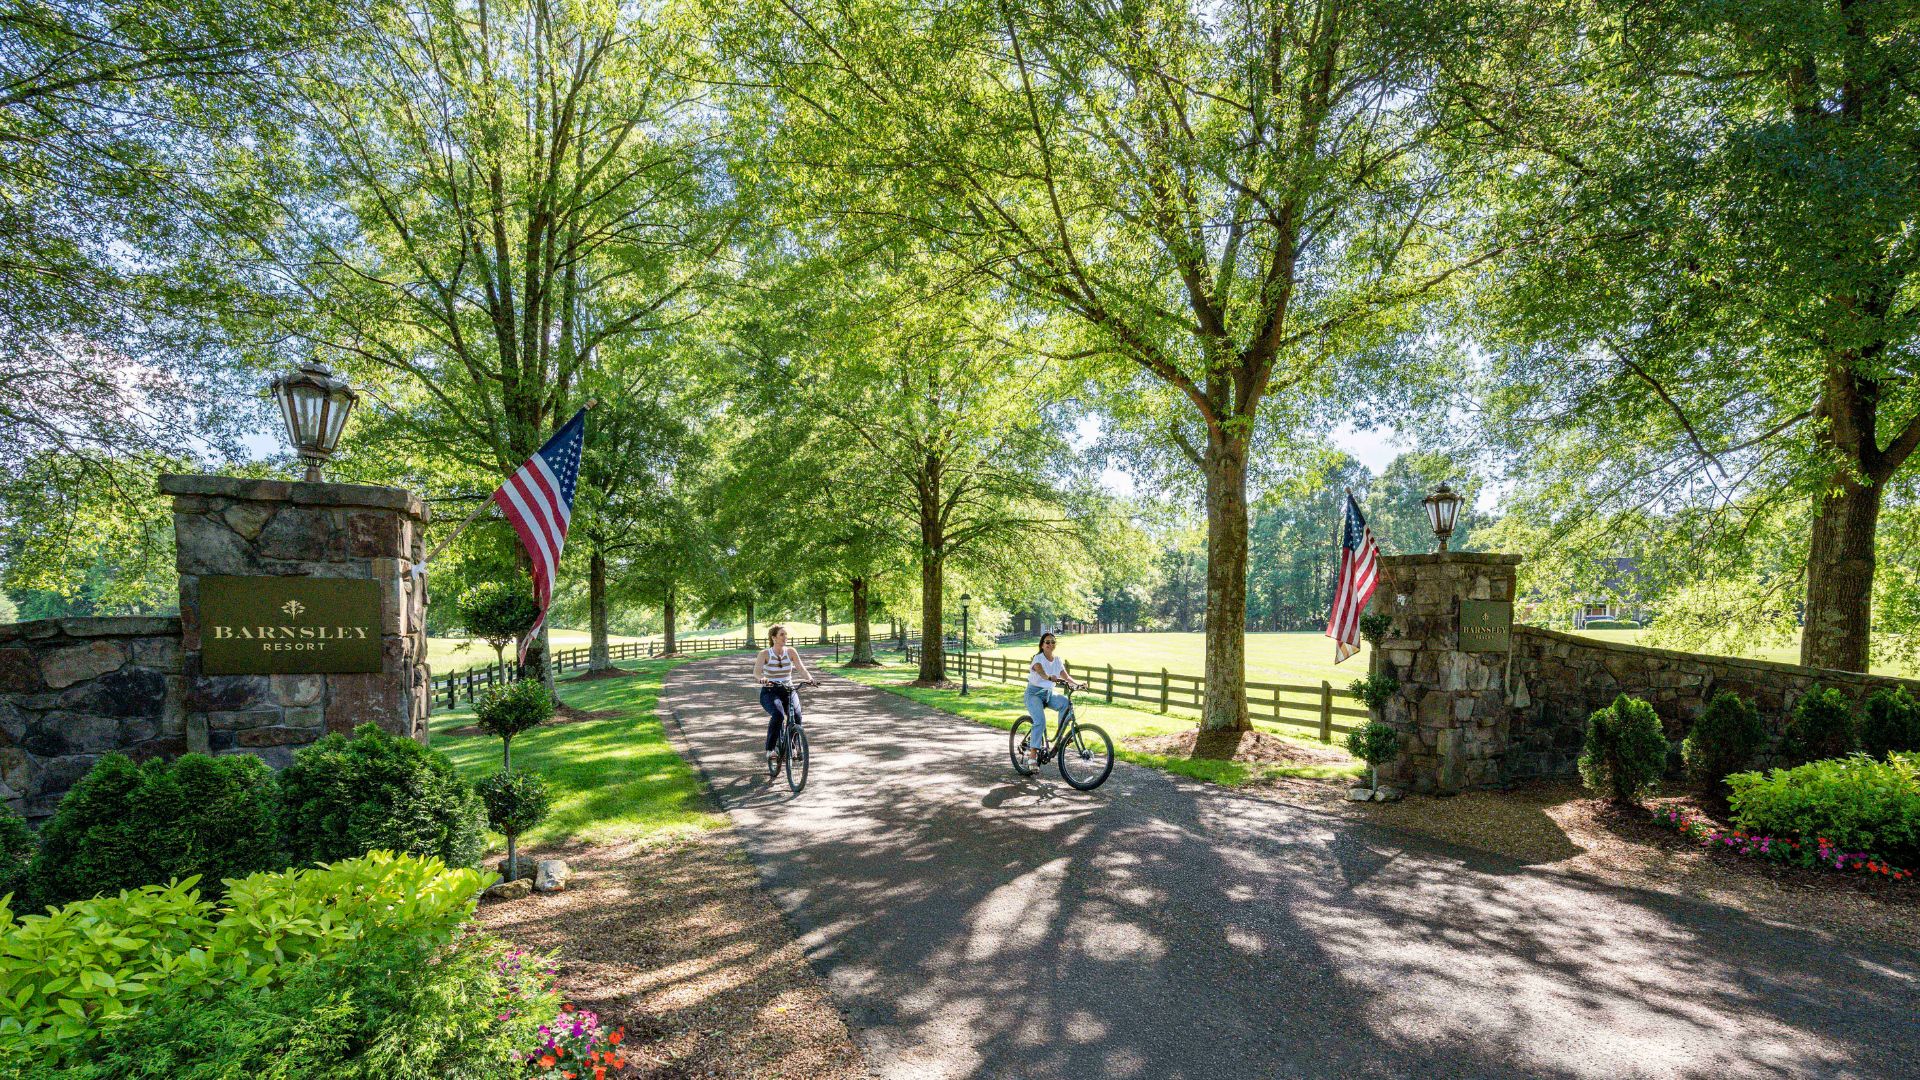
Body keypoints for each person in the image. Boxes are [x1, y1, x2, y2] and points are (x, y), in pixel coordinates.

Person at [755, 625, 817, 769]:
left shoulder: (791, 651)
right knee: (778, 715)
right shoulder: (764, 654)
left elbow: (801, 668)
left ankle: (794, 747)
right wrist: (762, 679)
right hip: (770, 691)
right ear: (774, 638)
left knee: (796, 715)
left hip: (788, 689)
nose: (785, 637)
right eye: (782, 635)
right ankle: (770, 750)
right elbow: (757, 672)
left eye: (786, 635)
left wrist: (810, 678)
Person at [1023, 632, 1079, 763]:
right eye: (1047, 642)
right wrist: (1049, 677)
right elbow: (1040, 672)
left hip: (1048, 693)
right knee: (1040, 721)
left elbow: (1066, 677)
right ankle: (1032, 755)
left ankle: (1060, 739)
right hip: (1034, 694)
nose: (1050, 644)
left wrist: (1078, 684)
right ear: (1042, 645)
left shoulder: (1057, 660)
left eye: (1053, 642)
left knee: (1066, 704)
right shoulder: (1038, 658)